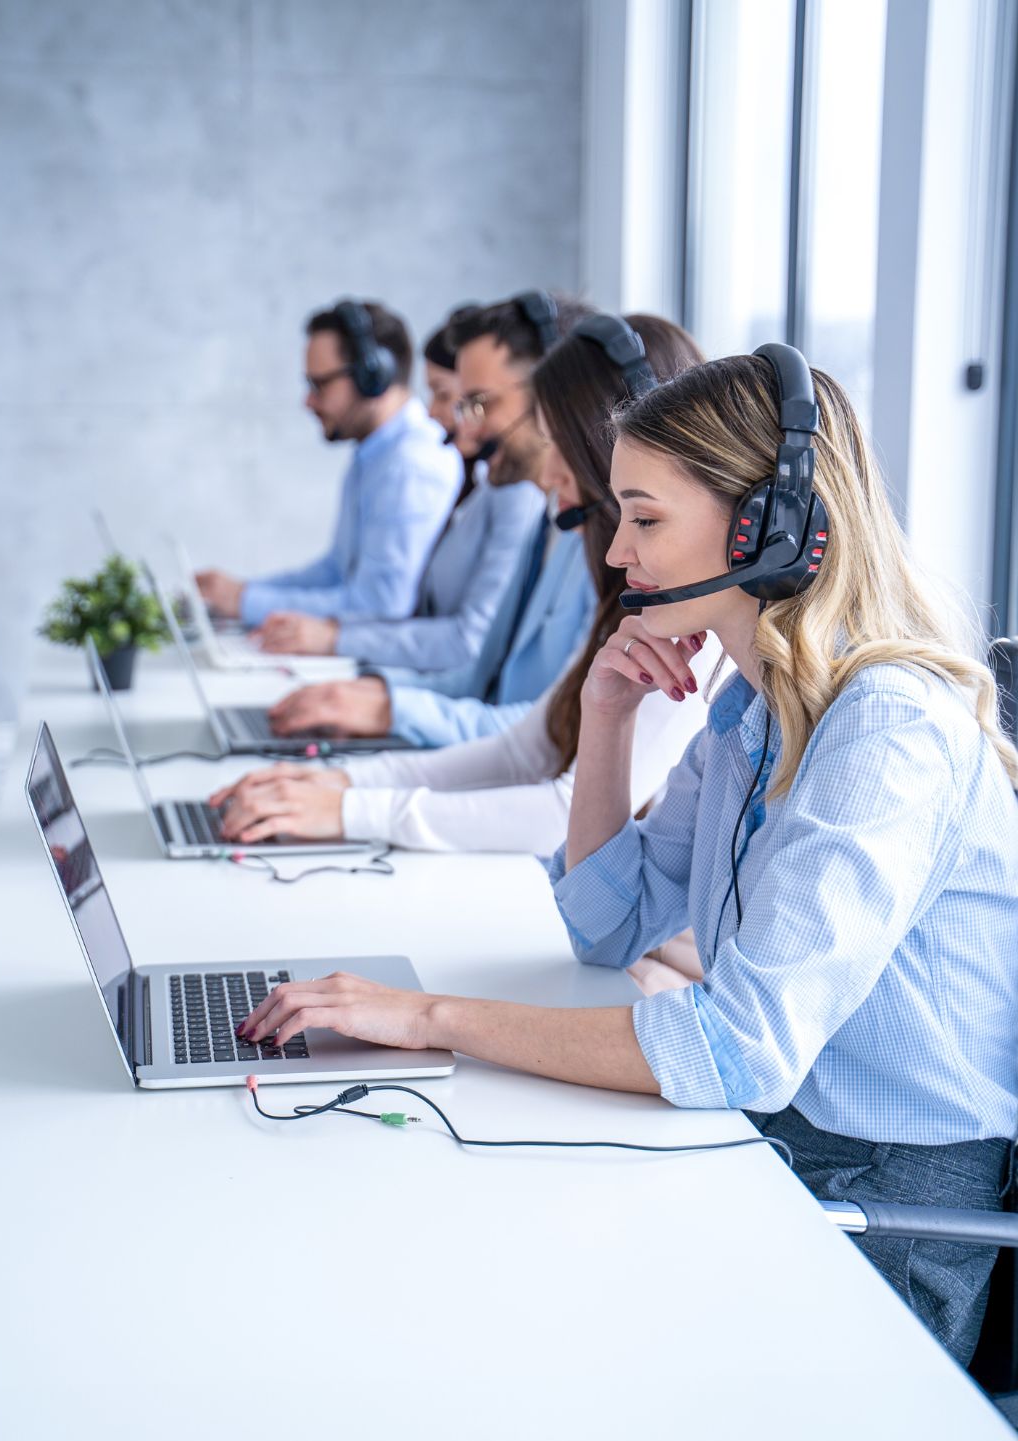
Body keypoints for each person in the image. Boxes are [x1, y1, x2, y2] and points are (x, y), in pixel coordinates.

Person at [236, 348, 1018, 1366]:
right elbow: (604, 923)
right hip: (778, 1141)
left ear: (764, 531)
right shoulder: (752, 707)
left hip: (885, 1206)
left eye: (644, 519)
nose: (615, 554)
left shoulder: (886, 732)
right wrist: (602, 720)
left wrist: (428, 1018)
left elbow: (735, 1045)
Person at [211, 313, 710, 860]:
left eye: (558, 440)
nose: (546, 474)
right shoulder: (614, 575)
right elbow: (525, 751)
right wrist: (346, 785)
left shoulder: (686, 624)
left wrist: (355, 805)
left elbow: (563, 812)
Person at [260, 291, 598, 748]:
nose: (463, 426)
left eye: (479, 403)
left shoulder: (603, 548)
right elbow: (480, 678)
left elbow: (553, 734)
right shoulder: (548, 520)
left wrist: (386, 708)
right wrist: (377, 693)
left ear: (553, 399)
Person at [253, 306, 545, 673]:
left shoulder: (503, 488)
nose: (437, 413)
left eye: (454, 397)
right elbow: (338, 568)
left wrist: (337, 644)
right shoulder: (484, 484)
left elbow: (461, 639)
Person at [196, 299, 461, 628]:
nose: (308, 401)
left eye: (319, 385)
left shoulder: (410, 466)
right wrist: (242, 593)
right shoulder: (374, 453)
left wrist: (246, 602)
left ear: (372, 375)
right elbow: (336, 571)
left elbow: (381, 604)